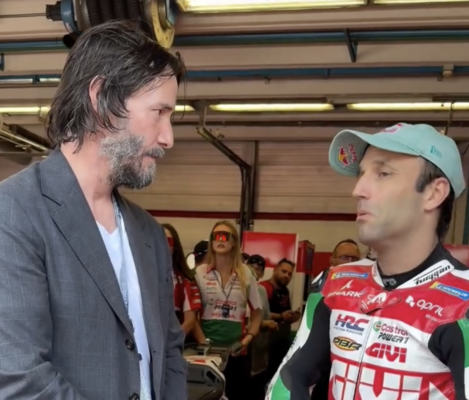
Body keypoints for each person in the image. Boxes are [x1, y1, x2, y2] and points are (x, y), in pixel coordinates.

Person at [0, 20, 187, 400]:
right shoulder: (14, 214)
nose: (168, 137)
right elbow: (20, 378)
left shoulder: (149, 232)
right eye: (158, 112)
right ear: (101, 99)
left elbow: (169, 353)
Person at [267, 123, 469, 400]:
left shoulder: (462, 302)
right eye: (361, 174)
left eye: (383, 173)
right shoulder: (334, 283)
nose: (358, 190)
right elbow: (289, 380)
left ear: (434, 193)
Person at [194, 220, 263, 400]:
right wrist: (203, 343)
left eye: (225, 236)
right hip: (206, 352)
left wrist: (247, 340)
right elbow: (191, 314)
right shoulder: (199, 273)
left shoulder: (247, 273)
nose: (220, 239)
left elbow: (257, 313)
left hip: (237, 353)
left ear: (234, 242)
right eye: (215, 236)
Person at [260, 259, 300, 383]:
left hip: (282, 342)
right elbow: (259, 315)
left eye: (290, 274)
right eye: (284, 271)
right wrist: (281, 316)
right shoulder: (264, 288)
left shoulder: (285, 291)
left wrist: (292, 317)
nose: (286, 276)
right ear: (275, 270)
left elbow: (284, 313)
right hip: (265, 344)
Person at [248, 254, 279, 399]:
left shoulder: (261, 290)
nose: (254, 271)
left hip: (261, 347)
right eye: (251, 267)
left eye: (258, 269)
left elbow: (264, 314)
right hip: (246, 345)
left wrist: (272, 321)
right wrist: (266, 323)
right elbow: (244, 320)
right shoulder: (240, 287)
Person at [163, 223, 201, 336]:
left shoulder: (185, 279)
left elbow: (189, 321)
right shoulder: (138, 277)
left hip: (175, 339)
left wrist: (173, 341)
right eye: (158, 240)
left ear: (175, 247)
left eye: (168, 241)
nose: (162, 245)